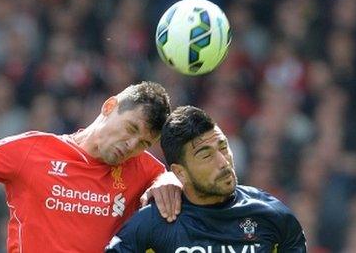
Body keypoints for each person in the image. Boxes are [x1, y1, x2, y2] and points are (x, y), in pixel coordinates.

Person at [0, 81, 183, 252]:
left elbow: (184, 190)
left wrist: (167, 180)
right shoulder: (29, 151)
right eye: (130, 129)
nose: (131, 146)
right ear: (109, 107)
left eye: (144, 143)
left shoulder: (144, 170)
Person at [106, 106, 307, 252]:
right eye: (206, 155)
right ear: (180, 173)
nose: (223, 162)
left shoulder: (273, 216)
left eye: (223, 147)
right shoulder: (153, 224)